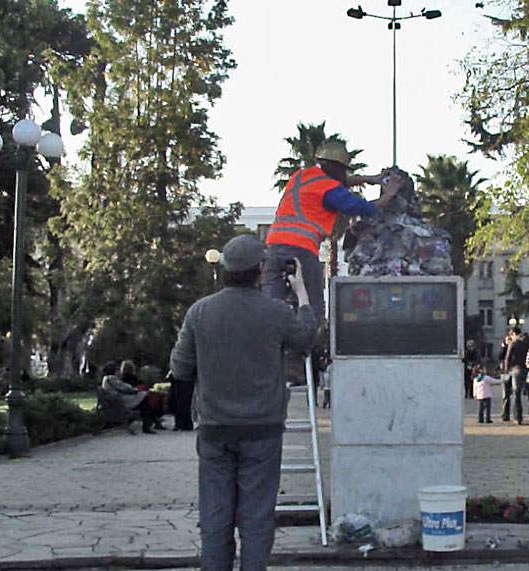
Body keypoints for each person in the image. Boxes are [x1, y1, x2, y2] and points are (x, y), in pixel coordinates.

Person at [170, 234, 317, 571]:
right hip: (262, 430)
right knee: (256, 517)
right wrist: (302, 294)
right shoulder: (276, 312)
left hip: (214, 429)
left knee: (215, 516)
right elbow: (306, 337)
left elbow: (179, 369)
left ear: (223, 270)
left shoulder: (199, 312)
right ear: (260, 269)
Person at [262, 140, 404, 325]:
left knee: (271, 305)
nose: (344, 174)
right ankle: (302, 350)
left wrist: (371, 179)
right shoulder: (329, 189)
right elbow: (365, 208)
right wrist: (389, 194)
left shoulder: (301, 176)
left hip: (274, 247)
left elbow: (341, 181)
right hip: (302, 250)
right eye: (343, 169)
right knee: (312, 308)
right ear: (334, 166)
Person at [100, 361, 156, 434]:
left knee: (143, 400)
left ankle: (150, 423)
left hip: (115, 401)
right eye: (117, 369)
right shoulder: (112, 378)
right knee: (144, 399)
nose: (118, 371)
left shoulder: (106, 379)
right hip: (120, 401)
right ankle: (147, 426)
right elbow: (124, 387)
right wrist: (135, 390)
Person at [504, 327, 529, 425]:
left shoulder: (514, 343)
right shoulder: (528, 342)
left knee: (517, 394)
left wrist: (506, 370)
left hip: (517, 369)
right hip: (528, 370)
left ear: (514, 334)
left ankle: (518, 417)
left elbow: (508, 357)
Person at [497, 333, 513, 421]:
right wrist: (503, 347)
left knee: (514, 393)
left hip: (513, 371)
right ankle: (505, 414)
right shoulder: (503, 350)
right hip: (505, 372)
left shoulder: (515, 348)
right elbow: (500, 357)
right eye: (507, 340)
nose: (509, 342)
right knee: (505, 394)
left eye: (510, 339)